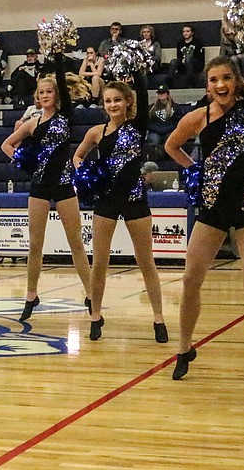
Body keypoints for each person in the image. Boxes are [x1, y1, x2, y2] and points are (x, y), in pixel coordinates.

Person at [164, 38, 244, 383]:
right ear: (207, 85)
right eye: (213, 80)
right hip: (212, 207)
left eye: (226, 78)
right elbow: (171, 145)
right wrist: (193, 171)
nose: (220, 85)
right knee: (190, 279)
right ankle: (184, 347)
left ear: (236, 81)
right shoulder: (198, 117)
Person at [73, 77, 167, 343]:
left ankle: (158, 318)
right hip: (106, 201)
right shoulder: (96, 132)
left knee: (146, 261)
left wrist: (138, 70)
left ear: (128, 102)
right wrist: (86, 174)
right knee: (100, 262)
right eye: (108, 101)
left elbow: (145, 93)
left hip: (135, 199)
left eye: (117, 99)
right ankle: (95, 315)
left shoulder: (136, 127)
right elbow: (77, 156)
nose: (113, 104)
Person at [1, 53, 93, 322]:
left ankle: (90, 294)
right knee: (35, 245)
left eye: (49, 91)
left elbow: (63, 85)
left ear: (56, 94)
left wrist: (57, 57)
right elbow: (7, 145)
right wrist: (23, 161)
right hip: (39, 185)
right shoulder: (32, 123)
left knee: (76, 242)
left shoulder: (66, 116)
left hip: (64, 184)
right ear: (36, 96)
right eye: (41, 91)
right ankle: (31, 294)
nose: (44, 95)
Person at [146, 86, 181, 158]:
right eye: (159, 93)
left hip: (170, 130)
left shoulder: (175, 107)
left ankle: (169, 159)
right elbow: (148, 122)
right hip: (155, 131)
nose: (161, 95)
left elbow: (179, 121)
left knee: (170, 138)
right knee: (154, 139)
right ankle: (155, 158)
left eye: (163, 93)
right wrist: (157, 129)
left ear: (167, 94)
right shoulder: (152, 108)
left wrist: (169, 128)